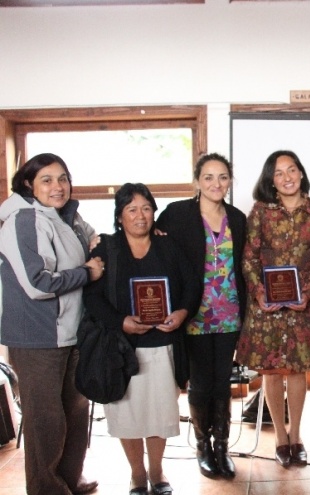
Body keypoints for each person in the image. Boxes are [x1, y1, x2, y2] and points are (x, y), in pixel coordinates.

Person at [83, 183, 200, 495]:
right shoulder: (106, 248)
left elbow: (191, 284)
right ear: (120, 216)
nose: (140, 215)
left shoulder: (168, 246)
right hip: (122, 349)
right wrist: (120, 322)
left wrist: (183, 312)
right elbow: (92, 297)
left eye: (146, 208)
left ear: (154, 212)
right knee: (128, 413)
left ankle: (158, 470)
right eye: (131, 209)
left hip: (163, 344)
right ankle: (137, 474)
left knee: (161, 411)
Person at [0, 153, 103, 495]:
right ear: (28, 183)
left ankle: (68, 479)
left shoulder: (65, 216)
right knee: (47, 421)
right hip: (37, 338)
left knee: (75, 412)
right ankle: (47, 488)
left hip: (71, 334)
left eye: (63, 178)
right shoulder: (24, 219)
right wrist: (86, 273)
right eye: (47, 179)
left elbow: (97, 241)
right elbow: (37, 282)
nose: (57, 186)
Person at [235, 150, 310, 468]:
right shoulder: (260, 212)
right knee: (273, 372)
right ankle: (280, 436)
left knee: (298, 371)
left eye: (292, 170)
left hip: (304, 305)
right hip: (268, 307)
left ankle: (297, 435)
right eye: (279, 173)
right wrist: (259, 291)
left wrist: (309, 292)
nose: (287, 177)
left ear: (301, 174)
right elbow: (249, 257)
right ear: (271, 181)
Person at [156, 153, 246, 479]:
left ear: (230, 181)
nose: (215, 183)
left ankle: (222, 447)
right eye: (208, 177)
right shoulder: (177, 214)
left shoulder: (236, 217)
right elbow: (153, 245)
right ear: (197, 181)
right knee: (200, 383)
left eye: (222, 177)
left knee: (222, 382)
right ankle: (203, 447)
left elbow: (244, 266)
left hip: (229, 314)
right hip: (193, 313)